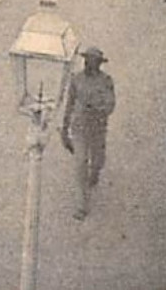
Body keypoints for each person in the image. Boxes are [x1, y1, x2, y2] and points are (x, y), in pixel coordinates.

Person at [61, 47, 116, 220]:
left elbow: (110, 104)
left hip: (98, 128)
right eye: (86, 59)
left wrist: (98, 108)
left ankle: (95, 173)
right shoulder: (76, 80)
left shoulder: (106, 81)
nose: (87, 63)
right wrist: (64, 129)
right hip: (80, 128)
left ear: (98, 64)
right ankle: (82, 204)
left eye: (91, 60)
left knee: (98, 160)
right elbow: (69, 104)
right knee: (80, 164)